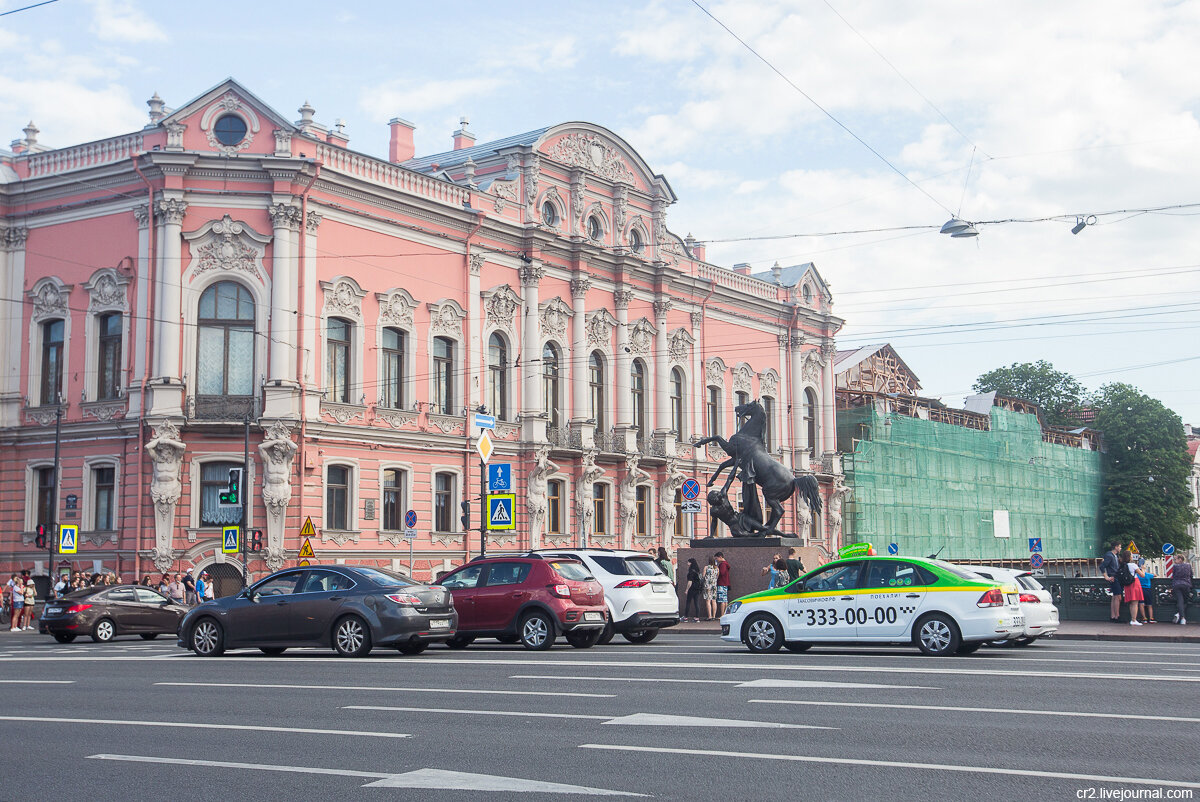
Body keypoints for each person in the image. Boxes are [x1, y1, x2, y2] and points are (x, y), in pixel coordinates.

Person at [1119, 550, 1145, 626]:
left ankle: (1132, 618)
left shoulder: (1123, 565)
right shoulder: (1133, 565)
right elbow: (1142, 575)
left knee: (1131, 603)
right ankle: (1134, 620)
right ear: (1129, 556)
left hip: (1127, 584)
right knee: (1135, 603)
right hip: (1134, 583)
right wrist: (1143, 569)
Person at [1101, 542, 1123, 622]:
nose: (1120, 549)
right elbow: (1102, 566)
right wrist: (1106, 577)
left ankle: (1113, 616)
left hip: (1115, 577)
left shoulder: (1114, 556)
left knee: (1115, 597)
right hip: (1114, 578)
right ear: (1116, 547)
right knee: (1118, 597)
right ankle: (1117, 616)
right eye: (1120, 547)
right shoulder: (1109, 555)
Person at [1171, 557, 1193, 625]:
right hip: (1186, 585)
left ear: (1180, 559)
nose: (1174, 561)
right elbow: (1191, 575)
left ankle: (1181, 617)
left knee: (1180, 601)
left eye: (1176, 559)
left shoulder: (1175, 566)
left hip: (1176, 585)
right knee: (1186, 601)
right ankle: (1180, 615)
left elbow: (1173, 576)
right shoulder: (1188, 565)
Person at [1137, 558, 1156, 623]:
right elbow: (1154, 575)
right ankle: (1151, 618)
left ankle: (1144, 618)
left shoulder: (1137, 575)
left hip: (1140, 590)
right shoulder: (1147, 575)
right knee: (1149, 604)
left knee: (1141, 604)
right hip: (1147, 590)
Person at [715, 552, 731, 618]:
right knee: (725, 600)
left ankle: (722, 615)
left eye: (717, 558)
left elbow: (721, 573)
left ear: (720, 557)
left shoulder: (722, 564)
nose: (716, 560)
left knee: (722, 600)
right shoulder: (726, 564)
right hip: (725, 583)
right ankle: (725, 614)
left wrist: (717, 569)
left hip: (721, 583)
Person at [702, 557, 718, 621]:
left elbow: (703, 576)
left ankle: (709, 616)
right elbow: (717, 576)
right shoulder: (717, 568)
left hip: (707, 586)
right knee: (714, 601)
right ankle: (714, 616)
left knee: (708, 601)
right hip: (714, 586)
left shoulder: (706, 567)